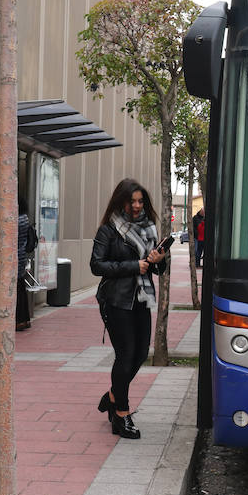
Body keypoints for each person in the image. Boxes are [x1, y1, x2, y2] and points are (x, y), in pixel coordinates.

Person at [90, 178, 168, 439]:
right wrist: (134, 266)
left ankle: (112, 395)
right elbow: (96, 265)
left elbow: (156, 269)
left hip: (141, 299)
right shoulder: (108, 230)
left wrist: (158, 260)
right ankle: (121, 413)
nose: (137, 205)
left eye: (140, 200)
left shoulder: (148, 228)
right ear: (121, 201)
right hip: (116, 301)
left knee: (140, 354)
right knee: (125, 356)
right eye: (132, 201)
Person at [15, 196, 36, 331]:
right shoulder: (24, 218)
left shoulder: (17, 220)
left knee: (17, 291)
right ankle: (25, 320)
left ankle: (20, 320)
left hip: (15, 259)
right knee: (21, 289)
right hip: (21, 258)